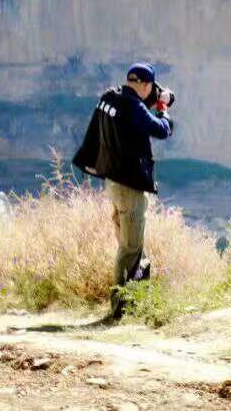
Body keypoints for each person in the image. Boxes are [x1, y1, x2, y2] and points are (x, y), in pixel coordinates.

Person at [72, 62, 175, 322]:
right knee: (130, 248)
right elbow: (161, 130)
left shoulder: (110, 98)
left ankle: (138, 303)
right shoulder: (133, 107)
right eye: (150, 86)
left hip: (113, 183)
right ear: (143, 84)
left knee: (131, 246)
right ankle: (120, 310)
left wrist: (157, 97)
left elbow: (135, 111)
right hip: (130, 187)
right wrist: (163, 107)